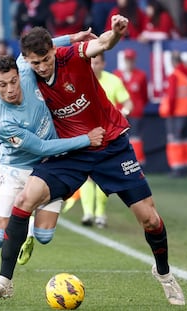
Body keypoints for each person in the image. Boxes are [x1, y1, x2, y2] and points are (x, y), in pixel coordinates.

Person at [0, 14, 185, 306]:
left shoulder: (71, 57)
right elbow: (22, 68)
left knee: (150, 220)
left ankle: (163, 273)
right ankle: (4, 280)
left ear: (53, 51)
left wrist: (115, 33)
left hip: (111, 144)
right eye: (35, 63)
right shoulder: (25, 71)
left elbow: (100, 44)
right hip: (71, 151)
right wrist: (83, 140)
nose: (41, 67)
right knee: (24, 200)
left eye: (45, 60)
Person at [0, 31, 104, 305]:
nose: (11, 89)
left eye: (13, 81)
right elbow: (39, 147)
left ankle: (30, 223)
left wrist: (75, 37)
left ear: (19, 73)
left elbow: (45, 49)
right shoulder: (0, 121)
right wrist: (85, 140)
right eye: (2, 85)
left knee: (45, 236)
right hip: (15, 168)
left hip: (49, 165)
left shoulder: (26, 70)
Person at [78, 52, 132, 228]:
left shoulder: (113, 81)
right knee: (86, 175)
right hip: (86, 134)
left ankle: (100, 214)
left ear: (103, 64)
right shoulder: (80, 81)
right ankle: (87, 213)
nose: (94, 66)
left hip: (108, 135)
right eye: (91, 62)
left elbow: (128, 102)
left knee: (102, 176)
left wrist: (123, 113)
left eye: (98, 63)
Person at [159, 51, 187, 177]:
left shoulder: (175, 75)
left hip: (178, 113)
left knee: (175, 140)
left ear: (173, 62)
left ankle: (178, 168)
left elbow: (171, 97)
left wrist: (170, 112)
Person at [113, 48, 149, 167]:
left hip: (136, 112)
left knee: (136, 137)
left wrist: (139, 106)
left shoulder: (141, 75)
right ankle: (123, 162)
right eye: (127, 59)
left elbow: (144, 94)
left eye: (131, 60)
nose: (129, 62)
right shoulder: (117, 75)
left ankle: (138, 163)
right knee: (120, 138)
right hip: (120, 113)